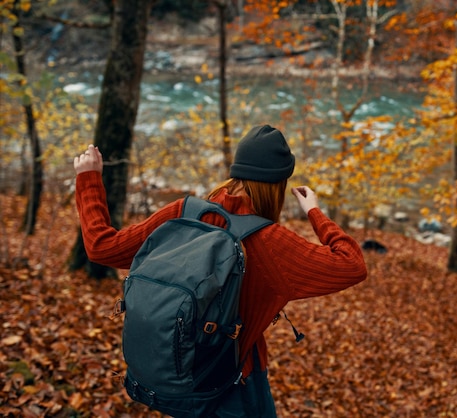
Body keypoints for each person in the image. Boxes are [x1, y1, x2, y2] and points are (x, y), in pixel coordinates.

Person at [73, 124, 368, 417]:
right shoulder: (271, 242)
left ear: (235, 172)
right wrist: (314, 212)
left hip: (179, 371)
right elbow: (352, 265)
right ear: (278, 186)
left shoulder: (181, 213)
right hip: (234, 387)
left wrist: (88, 180)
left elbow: (102, 247)